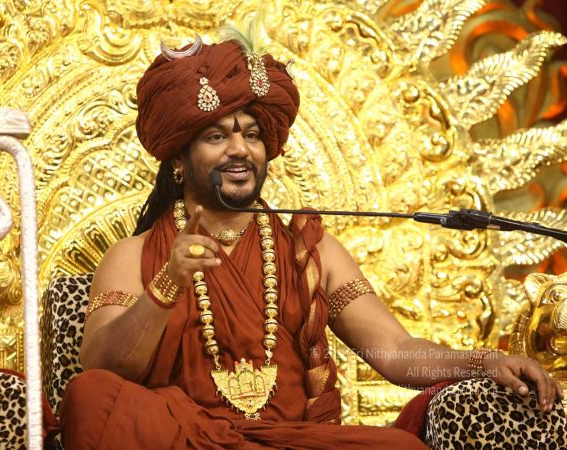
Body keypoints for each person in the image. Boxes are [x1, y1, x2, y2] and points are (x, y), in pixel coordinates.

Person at [59, 31, 564, 449]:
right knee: (89, 398)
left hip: (291, 441)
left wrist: (482, 361)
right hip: (187, 439)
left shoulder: (311, 250)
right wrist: (169, 282)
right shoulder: (135, 256)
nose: (240, 149)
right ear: (177, 159)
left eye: (251, 134)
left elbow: (396, 351)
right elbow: (102, 367)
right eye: (216, 136)